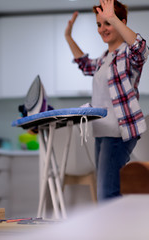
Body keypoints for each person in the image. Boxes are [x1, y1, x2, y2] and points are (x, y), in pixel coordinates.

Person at [65, 0, 148, 201]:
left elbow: (141, 48)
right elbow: (85, 65)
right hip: (102, 131)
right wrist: (68, 36)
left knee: (107, 195)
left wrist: (113, 18)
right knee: (109, 193)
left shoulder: (127, 54)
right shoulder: (105, 58)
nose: (102, 29)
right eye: (99, 24)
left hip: (117, 132)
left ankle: (114, 232)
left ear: (121, 22)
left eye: (107, 23)